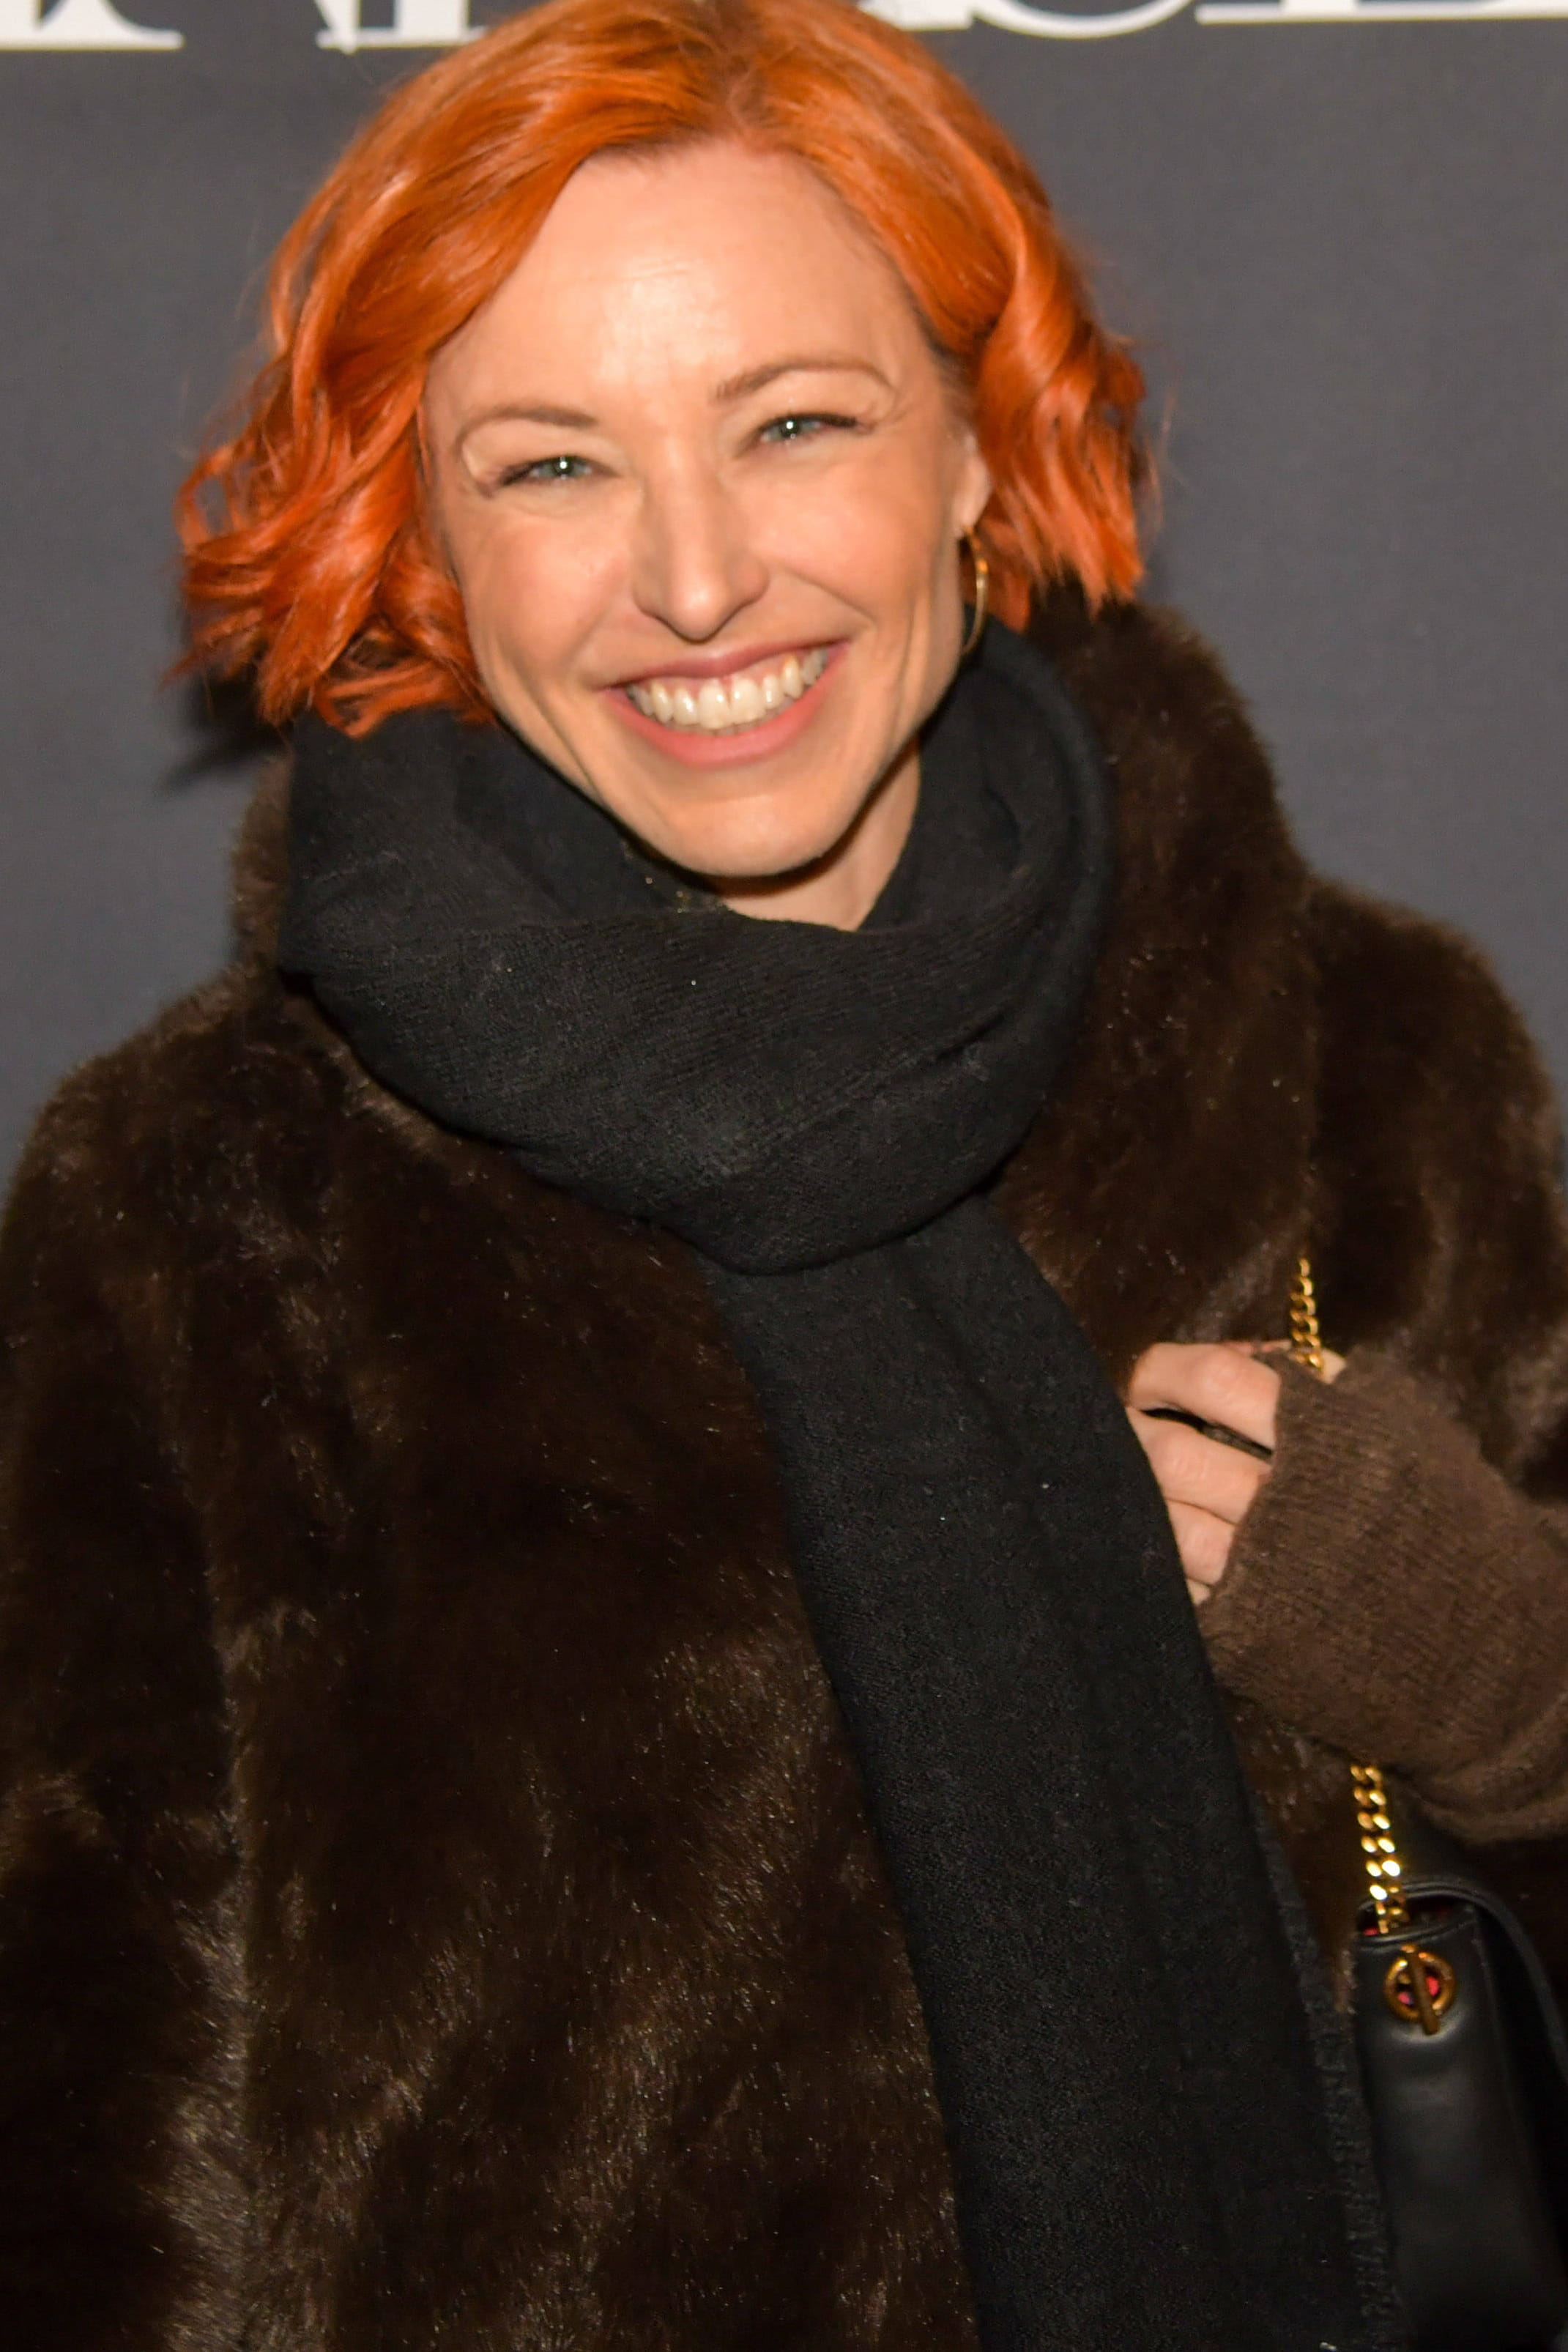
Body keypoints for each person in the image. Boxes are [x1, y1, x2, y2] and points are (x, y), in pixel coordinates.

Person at [1, 0, 1564, 2343]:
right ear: (424, 538)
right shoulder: (197, 1212)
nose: (700, 578)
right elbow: (88, 2159)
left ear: (976, 444)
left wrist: (1509, 1682)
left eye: (796, 424)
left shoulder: (1369, 1071)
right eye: (554, 465)